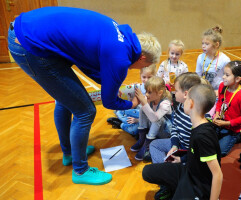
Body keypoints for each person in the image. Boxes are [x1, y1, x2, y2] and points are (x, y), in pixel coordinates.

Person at [7, 7, 161, 185]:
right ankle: (80, 171)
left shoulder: (120, 33)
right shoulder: (120, 58)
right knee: (85, 111)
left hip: (27, 29)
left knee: (65, 100)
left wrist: (109, 83)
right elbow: (109, 102)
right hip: (30, 45)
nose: (140, 69)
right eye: (144, 66)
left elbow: (85, 59)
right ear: (142, 58)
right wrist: (132, 104)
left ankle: (69, 153)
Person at [143, 84, 222, 200]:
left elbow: (217, 174)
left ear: (191, 104)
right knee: (147, 172)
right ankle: (175, 187)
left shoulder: (203, 136)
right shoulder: (196, 126)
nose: (183, 101)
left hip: (198, 183)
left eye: (186, 99)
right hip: (187, 171)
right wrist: (181, 159)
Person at [149, 73, 202, 164]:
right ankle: (166, 168)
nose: (174, 93)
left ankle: (166, 169)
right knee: (154, 145)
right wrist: (174, 145)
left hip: (190, 152)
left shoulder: (199, 117)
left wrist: (182, 159)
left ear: (186, 94)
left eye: (176, 91)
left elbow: (198, 150)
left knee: (191, 164)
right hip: (178, 145)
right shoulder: (180, 106)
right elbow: (175, 128)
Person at [212, 61, 241, 157]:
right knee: (206, 141)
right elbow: (220, 102)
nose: (223, 77)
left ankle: (238, 137)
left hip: (232, 129)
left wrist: (226, 123)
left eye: (227, 75)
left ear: (237, 79)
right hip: (220, 122)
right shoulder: (222, 86)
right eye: (224, 74)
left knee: (219, 152)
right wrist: (217, 113)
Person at [131, 76, 172, 161]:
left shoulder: (165, 104)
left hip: (165, 133)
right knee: (142, 109)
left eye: (149, 92)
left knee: (157, 119)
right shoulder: (151, 98)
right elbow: (141, 108)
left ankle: (147, 145)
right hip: (152, 129)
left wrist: (144, 103)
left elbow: (154, 119)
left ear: (160, 93)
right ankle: (142, 140)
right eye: (146, 91)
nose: (146, 94)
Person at [107, 65, 156, 135]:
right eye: (144, 77)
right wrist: (130, 89)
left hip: (147, 116)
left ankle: (121, 124)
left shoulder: (155, 89)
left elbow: (151, 114)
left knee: (134, 130)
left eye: (149, 77)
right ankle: (128, 122)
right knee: (118, 112)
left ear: (154, 76)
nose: (146, 80)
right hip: (138, 111)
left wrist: (138, 120)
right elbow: (132, 101)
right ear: (140, 76)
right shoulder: (139, 86)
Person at [196, 25, 230, 91]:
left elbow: (228, 80)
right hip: (204, 90)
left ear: (216, 45)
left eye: (207, 44)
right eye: (202, 43)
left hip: (218, 91)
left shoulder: (225, 60)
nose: (203, 46)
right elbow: (198, 75)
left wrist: (218, 91)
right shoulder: (200, 57)